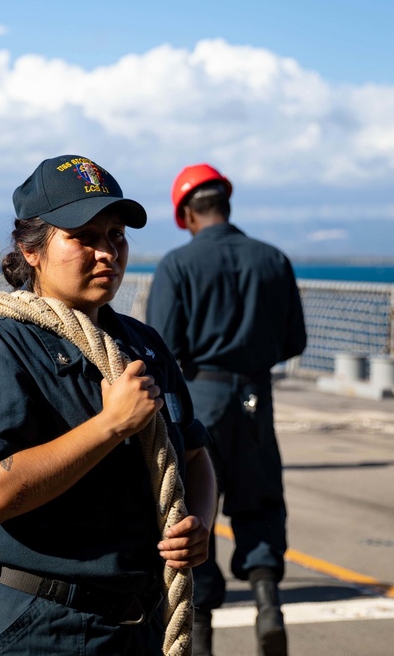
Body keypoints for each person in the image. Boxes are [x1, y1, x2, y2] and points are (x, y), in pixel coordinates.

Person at [0, 155, 216, 655]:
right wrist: (110, 425)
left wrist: (200, 524)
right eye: (84, 236)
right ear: (30, 249)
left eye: (117, 235)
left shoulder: (143, 346)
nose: (108, 252)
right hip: (32, 627)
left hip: (134, 627)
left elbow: (195, 457)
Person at [146, 163, 307, 656]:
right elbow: (294, 340)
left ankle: (199, 635)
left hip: (202, 396)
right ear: (226, 205)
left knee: (197, 508)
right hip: (256, 398)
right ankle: (267, 604)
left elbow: (161, 344)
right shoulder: (273, 258)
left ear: (187, 216)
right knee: (260, 502)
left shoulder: (177, 265)